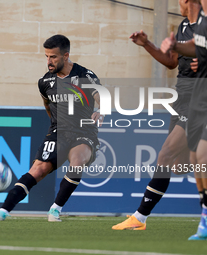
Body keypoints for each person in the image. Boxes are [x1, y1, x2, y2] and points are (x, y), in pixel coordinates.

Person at [0, 34, 103, 222]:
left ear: (66, 56)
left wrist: (102, 111)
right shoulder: (45, 82)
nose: (49, 61)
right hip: (58, 132)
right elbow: (48, 105)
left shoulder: (85, 75)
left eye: (54, 57)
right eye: (47, 57)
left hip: (84, 132)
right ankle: (3, 211)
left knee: (77, 160)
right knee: (38, 170)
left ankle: (55, 210)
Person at [112, 0, 202, 231]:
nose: (179, 3)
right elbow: (172, 62)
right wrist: (147, 44)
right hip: (180, 102)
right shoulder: (182, 26)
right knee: (180, 166)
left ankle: (139, 218)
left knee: (165, 155)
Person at [161, 0, 207, 240]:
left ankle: (140, 215)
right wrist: (169, 45)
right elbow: (187, 51)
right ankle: (205, 219)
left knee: (190, 155)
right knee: (187, 161)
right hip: (191, 97)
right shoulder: (192, 25)